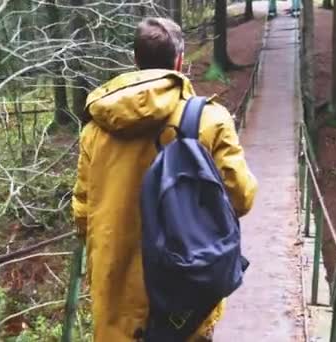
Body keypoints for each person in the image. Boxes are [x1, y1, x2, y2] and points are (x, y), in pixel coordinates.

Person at [72, 17, 257, 342]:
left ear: (136, 61)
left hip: (115, 302)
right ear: (179, 61)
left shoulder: (95, 130)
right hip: (183, 302)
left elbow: (82, 216)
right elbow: (240, 198)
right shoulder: (210, 121)